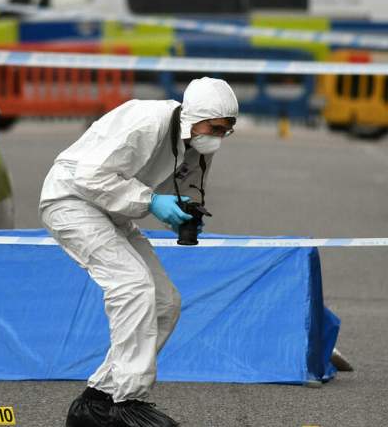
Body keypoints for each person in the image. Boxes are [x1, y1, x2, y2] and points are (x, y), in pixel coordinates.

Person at [39, 77, 239, 427]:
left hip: (111, 211)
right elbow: (89, 177)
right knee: (132, 286)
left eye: (227, 130)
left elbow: (181, 192)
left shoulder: (195, 146)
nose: (219, 137)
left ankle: (97, 401)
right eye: (216, 127)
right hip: (71, 201)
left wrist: (182, 217)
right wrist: (151, 201)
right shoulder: (147, 121)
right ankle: (128, 401)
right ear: (194, 117)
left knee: (165, 303)